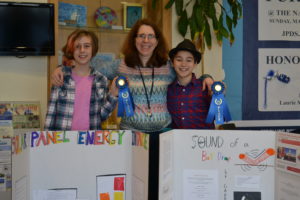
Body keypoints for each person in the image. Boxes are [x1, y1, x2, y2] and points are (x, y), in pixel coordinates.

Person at [51, 19, 214, 200]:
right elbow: (85, 66)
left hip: (163, 135)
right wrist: (61, 68)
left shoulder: (167, 66)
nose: (146, 40)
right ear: (134, 39)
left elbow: (188, 73)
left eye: (150, 36)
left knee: (161, 186)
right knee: (133, 186)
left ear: (157, 40)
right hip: (131, 137)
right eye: (141, 36)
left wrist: (207, 77)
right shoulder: (120, 65)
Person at [44, 29, 118, 131]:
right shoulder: (61, 77)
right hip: (62, 141)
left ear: (93, 49)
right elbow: (51, 113)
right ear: (71, 50)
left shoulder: (101, 80)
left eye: (87, 46)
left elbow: (101, 116)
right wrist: (47, 141)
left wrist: (113, 96)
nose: (82, 50)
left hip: (90, 141)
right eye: (77, 46)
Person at [167, 39, 215, 129]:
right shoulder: (168, 90)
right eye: (179, 59)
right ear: (173, 62)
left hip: (203, 141)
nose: (183, 64)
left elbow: (219, 116)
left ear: (195, 64)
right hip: (178, 141)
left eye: (189, 60)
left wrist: (218, 95)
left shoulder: (205, 87)